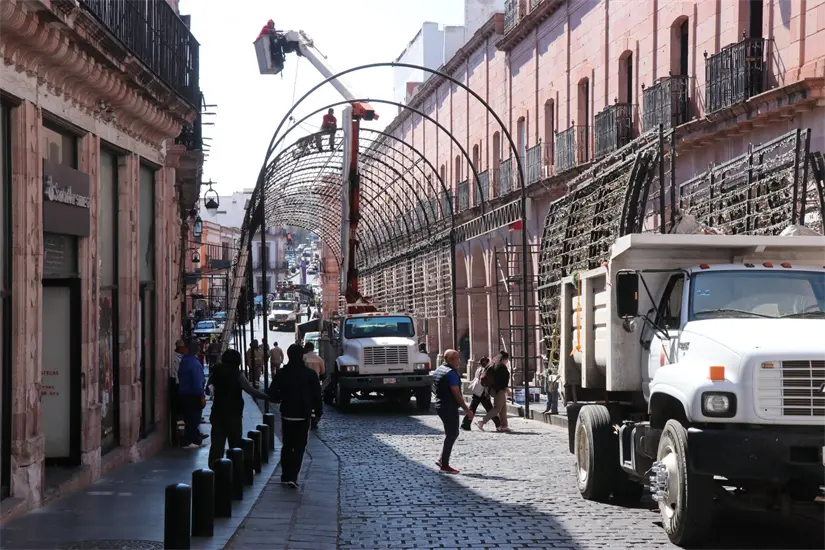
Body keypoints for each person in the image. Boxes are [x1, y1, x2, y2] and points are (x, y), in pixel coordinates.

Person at [267, 344, 323, 488]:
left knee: (287, 445)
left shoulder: (282, 373)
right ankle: (293, 476)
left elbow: (272, 392)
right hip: (303, 414)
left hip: (287, 414)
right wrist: (318, 412)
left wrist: (281, 396)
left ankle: (285, 475)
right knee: (299, 447)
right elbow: (317, 395)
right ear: (301, 356)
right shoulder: (310, 374)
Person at [206, 348, 272, 467]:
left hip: (217, 412)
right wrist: (267, 397)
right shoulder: (237, 373)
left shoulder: (216, 371)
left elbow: (207, 389)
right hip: (234, 412)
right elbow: (250, 390)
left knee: (216, 445)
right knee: (235, 445)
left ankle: (213, 471)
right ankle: (235, 471)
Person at [432, 349, 473, 474]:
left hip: (440, 405)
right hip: (448, 406)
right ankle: (444, 464)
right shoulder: (450, 373)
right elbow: (456, 393)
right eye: (456, 358)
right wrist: (467, 410)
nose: (459, 360)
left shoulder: (439, 370)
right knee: (452, 434)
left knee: (450, 433)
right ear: (450, 359)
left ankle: (442, 458)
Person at [178, 339, 207, 448]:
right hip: (193, 395)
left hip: (184, 393)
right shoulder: (194, 363)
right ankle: (188, 441)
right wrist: (202, 397)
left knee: (188, 417)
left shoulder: (184, 360)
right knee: (193, 419)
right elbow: (197, 382)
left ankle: (195, 439)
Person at [461, 356, 500, 431]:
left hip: (477, 391)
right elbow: (487, 382)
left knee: (473, 408)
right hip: (483, 392)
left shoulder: (479, 369)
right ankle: (498, 424)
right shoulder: (486, 370)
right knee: (489, 409)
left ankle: (465, 424)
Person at [476, 351, 511, 432]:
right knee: (497, 408)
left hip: (493, 389)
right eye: (507, 360)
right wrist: (508, 391)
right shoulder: (501, 367)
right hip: (499, 390)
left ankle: (504, 426)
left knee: (503, 408)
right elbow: (504, 381)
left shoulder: (492, 365)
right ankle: (482, 421)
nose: (507, 362)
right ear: (504, 359)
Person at [303, 342, 325, 430]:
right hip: (315, 383)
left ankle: (307, 417)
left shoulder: (303, 357)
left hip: (304, 382)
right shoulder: (319, 359)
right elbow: (323, 371)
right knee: (316, 401)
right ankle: (314, 419)